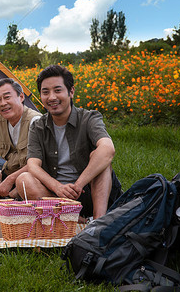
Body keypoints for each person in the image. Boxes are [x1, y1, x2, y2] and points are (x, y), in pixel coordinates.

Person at [16, 65, 121, 219]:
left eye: (58, 90)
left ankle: (98, 223)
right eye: (45, 92)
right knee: (23, 179)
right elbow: (32, 165)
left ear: (71, 92)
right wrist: (57, 187)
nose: (51, 97)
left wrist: (78, 185)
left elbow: (108, 149)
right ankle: (73, 220)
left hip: (89, 191)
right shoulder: (38, 126)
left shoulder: (89, 118)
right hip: (55, 197)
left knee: (100, 158)